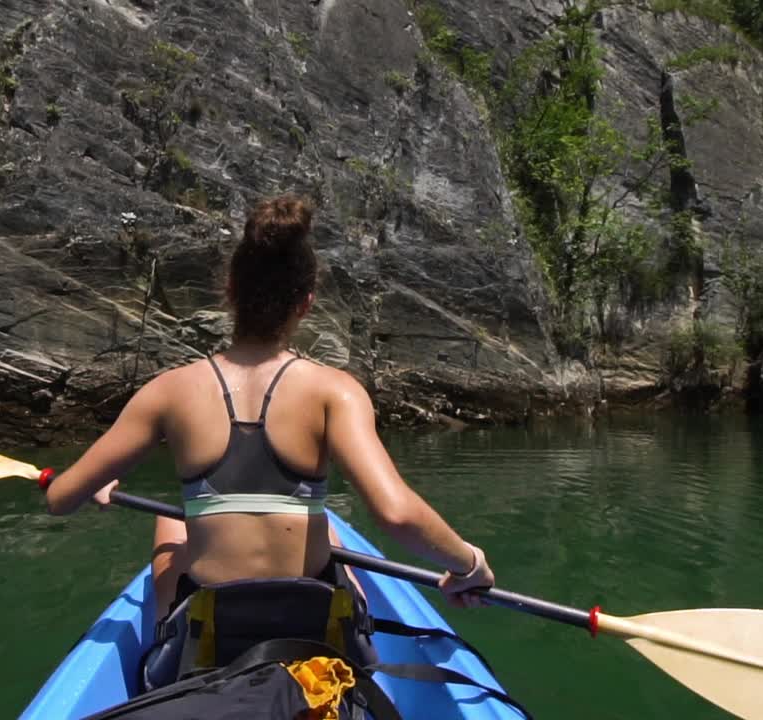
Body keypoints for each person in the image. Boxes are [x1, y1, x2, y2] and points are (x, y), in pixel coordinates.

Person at [44, 193, 494, 644]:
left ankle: (168, 635)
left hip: (215, 632)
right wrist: (469, 564)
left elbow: (61, 498)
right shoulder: (334, 390)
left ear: (230, 291)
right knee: (328, 529)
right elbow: (397, 515)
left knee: (174, 521)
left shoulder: (168, 391)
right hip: (311, 625)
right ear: (306, 303)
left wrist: (91, 486)